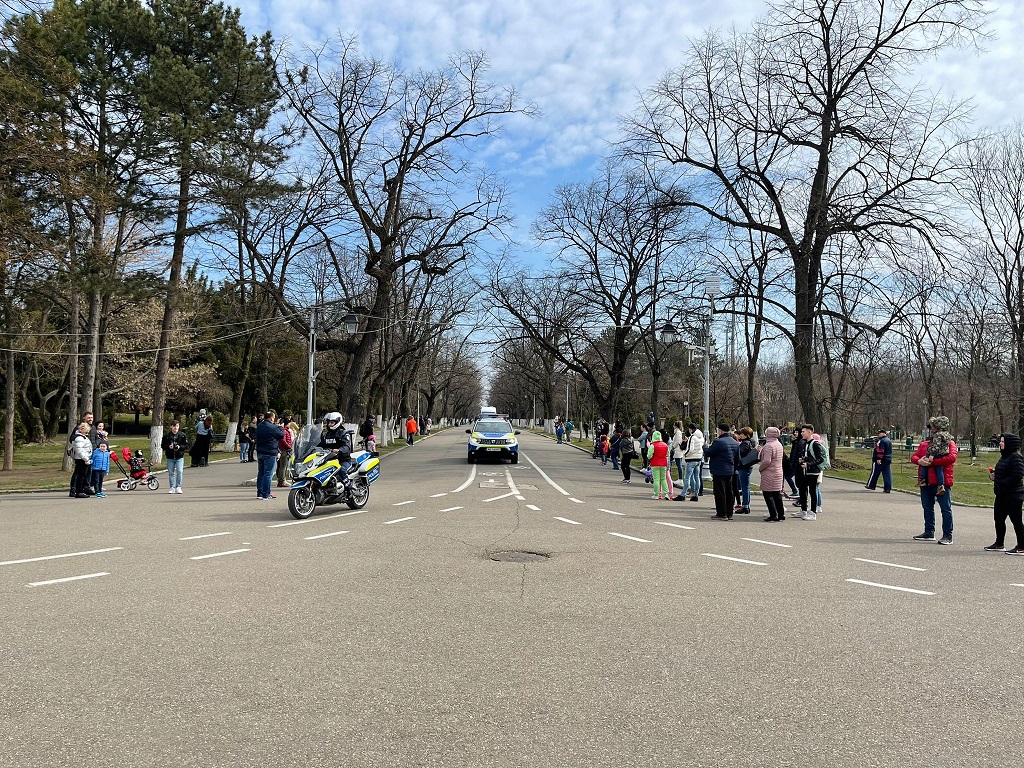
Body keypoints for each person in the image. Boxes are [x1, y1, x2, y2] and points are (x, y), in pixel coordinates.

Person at [910, 415, 958, 544]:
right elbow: (914, 457)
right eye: (930, 428)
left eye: (933, 428)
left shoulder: (949, 443)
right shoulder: (924, 444)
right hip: (926, 482)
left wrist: (933, 462)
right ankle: (929, 531)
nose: (931, 430)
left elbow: (952, 458)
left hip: (941, 482)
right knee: (927, 507)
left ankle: (948, 535)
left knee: (945, 508)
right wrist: (919, 461)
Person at [986, 433, 1024, 554]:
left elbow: (1017, 475)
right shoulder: (1004, 456)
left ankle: (1022, 546)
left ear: (1009, 443)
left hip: (1013, 495)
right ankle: (999, 543)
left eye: (1003, 441)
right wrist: (994, 475)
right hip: (1001, 494)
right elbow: (1002, 471)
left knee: (1016, 521)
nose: (1000, 443)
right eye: (1000, 441)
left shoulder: (1016, 457)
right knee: (999, 519)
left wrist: (1000, 481)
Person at [704, 423, 739, 520]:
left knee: (720, 492)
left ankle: (721, 513)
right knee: (729, 492)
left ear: (720, 431)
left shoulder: (718, 442)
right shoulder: (735, 442)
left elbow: (708, 453)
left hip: (719, 470)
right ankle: (729, 513)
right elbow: (737, 458)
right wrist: (734, 468)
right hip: (730, 470)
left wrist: (705, 446)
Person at [796, 424, 826, 520]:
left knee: (812, 492)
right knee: (802, 490)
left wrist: (808, 464)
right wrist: (803, 459)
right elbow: (809, 456)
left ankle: (813, 512)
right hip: (805, 471)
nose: (802, 433)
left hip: (813, 472)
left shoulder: (815, 444)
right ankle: (804, 510)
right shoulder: (805, 443)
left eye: (803, 431)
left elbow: (820, 459)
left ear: (810, 432)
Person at [319, 411, 354, 491]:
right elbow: (320, 445)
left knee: (341, 470)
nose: (329, 424)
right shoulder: (326, 435)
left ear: (338, 422)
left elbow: (347, 447)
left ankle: (349, 489)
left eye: (332, 422)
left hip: (343, 460)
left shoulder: (344, 434)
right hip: (328, 460)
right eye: (328, 422)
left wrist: (339, 450)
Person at [757, 426, 786, 521]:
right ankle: (781, 514)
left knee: (768, 494)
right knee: (777, 494)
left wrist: (760, 469)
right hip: (778, 471)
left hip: (769, 473)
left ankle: (773, 514)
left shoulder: (769, 445)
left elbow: (766, 461)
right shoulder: (778, 444)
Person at [255, 410, 284, 500]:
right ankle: (266, 493)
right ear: (271, 418)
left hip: (260, 452)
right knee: (268, 474)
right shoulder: (273, 427)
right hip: (270, 452)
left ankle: (259, 492)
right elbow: (281, 435)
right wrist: (280, 427)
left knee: (261, 473)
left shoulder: (259, 426)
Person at [734, 426, 758, 514]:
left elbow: (740, 453)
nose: (740, 435)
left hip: (744, 466)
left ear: (746, 435)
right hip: (748, 466)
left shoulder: (745, 443)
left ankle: (745, 506)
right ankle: (746, 505)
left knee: (744, 487)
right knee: (746, 487)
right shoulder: (751, 442)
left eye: (742, 434)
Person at [161, 420, 189, 494]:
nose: (175, 428)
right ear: (171, 427)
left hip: (179, 457)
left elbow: (186, 445)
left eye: (177, 426)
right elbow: (162, 446)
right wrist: (169, 447)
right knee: (171, 473)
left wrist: (179, 447)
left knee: (180, 471)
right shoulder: (166, 436)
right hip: (170, 457)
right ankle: (172, 487)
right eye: (174, 426)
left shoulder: (182, 435)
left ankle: (178, 486)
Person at [678, 423, 704, 502]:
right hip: (698, 459)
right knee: (697, 478)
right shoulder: (701, 437)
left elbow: (690, 449)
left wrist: (685, 454)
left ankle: (683, 494)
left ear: (690, 429)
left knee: (687, 478)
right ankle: (696, 495)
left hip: (691, 459)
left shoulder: (692, 437)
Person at [68, 422, 93, 498]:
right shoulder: (79, 438)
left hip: (83, 458)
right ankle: (79, 491)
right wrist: (85, 459)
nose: (87, 433)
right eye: (86, 431)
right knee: (81, 476)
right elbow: (79, 450)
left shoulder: (82, 437)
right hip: (82, 459)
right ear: (81, 430)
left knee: (82, 475)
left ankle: (80, 490)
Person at [865, 428, 893, 493]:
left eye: (879, 433)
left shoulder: (881, 441)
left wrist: (879, 458)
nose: (878, 435)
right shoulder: (888, 440)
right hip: (888, 459)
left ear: (883, 433)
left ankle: (871, 485)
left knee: (875, 472)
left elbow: (880, 450)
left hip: (881, 459)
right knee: (887, 474)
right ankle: (887, 488)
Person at [647, 430, 670, 500]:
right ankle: (666, 494)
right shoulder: (665, 445)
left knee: (656, 479)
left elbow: (649, 455)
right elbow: (668, 454)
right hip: (663, 463)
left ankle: (656, 494)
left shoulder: (653, 445)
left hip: (655, 464)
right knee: (663, 479)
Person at [276, 419, 295, 488]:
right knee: (283, 466)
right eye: (289, 423)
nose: (290, 425)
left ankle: (281, 480)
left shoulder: (285, 431)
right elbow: (283, 441)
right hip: (284, 450)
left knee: (283, 466)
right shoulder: (284, 431)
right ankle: (282, 480)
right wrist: (289, 447)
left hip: (284, 450)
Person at [670, 421, 685, 490]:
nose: (673, 426)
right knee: (678, 464)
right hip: (677, 450)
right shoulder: (677, 432)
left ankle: (680, 478)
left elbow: (678, 441)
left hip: (677, 451)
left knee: (679, 465)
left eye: (673, 424)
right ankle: (680, 478)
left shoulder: (678, 432)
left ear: (676, 425)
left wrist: (673, 447)